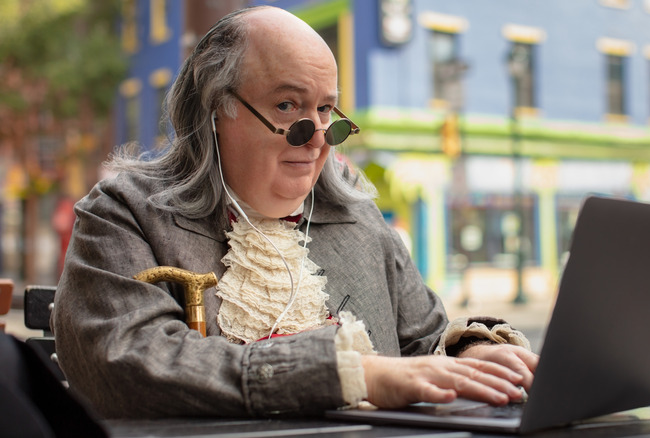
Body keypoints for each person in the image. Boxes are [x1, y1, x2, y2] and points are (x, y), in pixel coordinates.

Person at [52, 6, 538, 419]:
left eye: (327, 111)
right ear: (217, 109)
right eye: (288, 106)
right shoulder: (125, 213)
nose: (319, 138)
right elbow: (126, 364)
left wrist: (477, 356)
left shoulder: (358, 218)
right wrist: (351, 374)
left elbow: (423, 343)